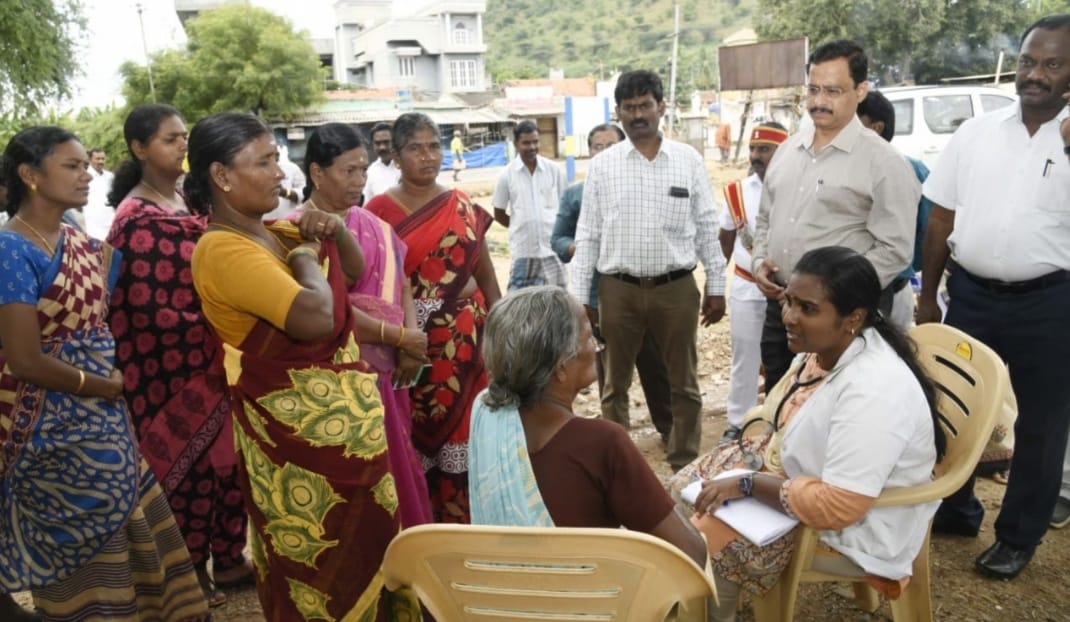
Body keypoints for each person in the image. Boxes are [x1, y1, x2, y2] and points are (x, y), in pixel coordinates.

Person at [187, 112, 419, 620]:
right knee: (319, 574)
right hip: (299, 455)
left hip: (343, 445)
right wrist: (308, 256)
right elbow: (315, 317)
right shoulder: (222, 248)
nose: (279, 172)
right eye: (264, 161)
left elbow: (353, 270)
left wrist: (333, 229)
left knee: (370, 560)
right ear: (222, 177)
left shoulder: (271, 233)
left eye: (277, 159)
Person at [0, 126, 210, 621]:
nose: (88, 174)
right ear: (30, 175)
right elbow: (25, 359)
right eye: (72, 166)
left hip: (105, 420)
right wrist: (105, 386)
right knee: (79, 539)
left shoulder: (75, 240)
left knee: (132, 524)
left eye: (85, 165)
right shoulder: (11, 250)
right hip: (48, 428)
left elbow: (99, 329)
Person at [671, 246, 945, 622]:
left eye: (808, 309)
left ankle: (706, 610)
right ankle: (693, 597)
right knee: (680, 495)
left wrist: (750, 484)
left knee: (708, 533)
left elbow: (839, 506)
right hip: (799, 477)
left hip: (854, 525)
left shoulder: (874, 389)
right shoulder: (828, 347)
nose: (789, 317)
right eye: (789, 302)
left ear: (854, 318)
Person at [916, 14, 1070, 580]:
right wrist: (929, 296)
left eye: (1053, 64)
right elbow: (940, 219)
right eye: (1029, 61)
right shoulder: (976, 132)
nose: (1035, 74)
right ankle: (956, 508)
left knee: (1042, 424)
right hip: (973, 296)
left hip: (1051, 304)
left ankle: (1017, 536)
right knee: (952, 407)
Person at [106, 103, 253, 608]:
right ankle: (191, 574)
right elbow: (151, 311)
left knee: (228, 467)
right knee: (187, 473)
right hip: (169, 372)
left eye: (184, 137)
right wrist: (225, 321)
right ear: (139, 148)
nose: (181, 145)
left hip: (218, 360)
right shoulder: (135, 221)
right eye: (170, 139)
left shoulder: (188, 208)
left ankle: (230, 557)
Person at [468, 286, 707, 568]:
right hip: (589, 606)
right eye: (588, 336)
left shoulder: (485, 412)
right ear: (560, 367)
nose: (595, 345)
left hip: (503, 602)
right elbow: (691, 555)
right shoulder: (602, 442)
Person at [570, 69, 726, 471]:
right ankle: (617, 465)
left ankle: (685, 463)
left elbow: (708, 225)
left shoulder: (688, 161)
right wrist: (579, 299)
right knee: (613, 386)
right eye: (629, 107)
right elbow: (587, 234)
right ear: (618, 112)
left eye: (645, 105)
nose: (637, 114)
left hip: (676, 290)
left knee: (684, 383)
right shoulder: (604, 167)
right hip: (617, 291)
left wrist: (717, 284)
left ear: (661, 107)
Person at [752, 40, 921, 391]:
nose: (818, 101)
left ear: (860, 91)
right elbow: (766, 219)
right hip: (781, 307)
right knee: (780, 402)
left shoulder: (884, 163)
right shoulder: (787, 150)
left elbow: (894, 250)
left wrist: (834, 296)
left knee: (835, 408)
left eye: (833, 90)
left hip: (840, 319)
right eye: (813, 89)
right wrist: (759, 263)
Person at [293, 122, 433, 528]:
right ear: (317, 173)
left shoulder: (372, 224)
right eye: (347, 171)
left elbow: (402, 282)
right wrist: (400, 336)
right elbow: (331, 314)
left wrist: (408, 344)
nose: (358, 181)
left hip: (390, 368)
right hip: (341, 376)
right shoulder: (296, 230)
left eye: (363, 170)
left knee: (399, 466)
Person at [365, 112, 502, 523]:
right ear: (395, 154)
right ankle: (429, 524)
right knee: (419, 437)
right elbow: (374, 286)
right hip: (413, 347)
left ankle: (470, 522)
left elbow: (486, 273)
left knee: (467, 430)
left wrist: (501, 327)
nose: (428, 156)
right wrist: (401, 339)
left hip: (468, 342)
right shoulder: (377, 211)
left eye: (434, 146)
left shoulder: (462, 205)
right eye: (415, 148)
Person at [551, 122, 674, 445]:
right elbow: (558, 239)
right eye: (597, 147)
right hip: (596, 294)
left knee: (654, 364)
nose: (603, 153)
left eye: (610, 146)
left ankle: (668, 427)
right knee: (610, 374)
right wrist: (577, 248)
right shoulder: (576, 195)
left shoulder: (641, 189)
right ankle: (616, 439)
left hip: (641, 290)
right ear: (589, 151)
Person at [718, 122, 788, 443]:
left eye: (765, 149)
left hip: (787, 287)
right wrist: (716, 286)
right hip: (747, 286)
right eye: (753, 149)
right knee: (744, 357)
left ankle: (784, 418)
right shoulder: (736, 192)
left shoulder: (795, 186)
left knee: (789, 356)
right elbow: (725, 241)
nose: (756, 156)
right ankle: (739, 422)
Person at [856, 90, 934, 331]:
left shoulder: (910, 169)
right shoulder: (838, 169)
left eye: (854, 123)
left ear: (877, 128)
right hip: (846, 290)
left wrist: (905, 268)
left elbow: (928, 230)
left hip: (893, 289)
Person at [492, 119, 568, 291]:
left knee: (558, 301)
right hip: (523, 251)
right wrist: (519, 226)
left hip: (552, 250)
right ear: (516, 144)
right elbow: (499, 213)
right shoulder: (506, 175)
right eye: (526, 143)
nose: (532, 147)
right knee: (520, 304)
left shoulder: (554, 170)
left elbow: (565, 207)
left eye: (535, 141)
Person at [262, 144, 304, 220]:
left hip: (287, 224)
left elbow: (304, 194)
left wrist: (285, 192)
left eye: (276, 155)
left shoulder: (291, 168)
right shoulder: (256, 169)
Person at [364, 122, 400, 200]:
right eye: (377, 143)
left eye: (386, 142)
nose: (382, 147)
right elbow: (367, 204)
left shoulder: (407, 167)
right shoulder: (371, 172)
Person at [85, 146, 115, 239]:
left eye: (103, 158)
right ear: (90, 159)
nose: (101, 161)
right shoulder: (85, 176)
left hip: (112, 221)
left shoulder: (110, 176)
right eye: (97, 159)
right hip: (94, 226)